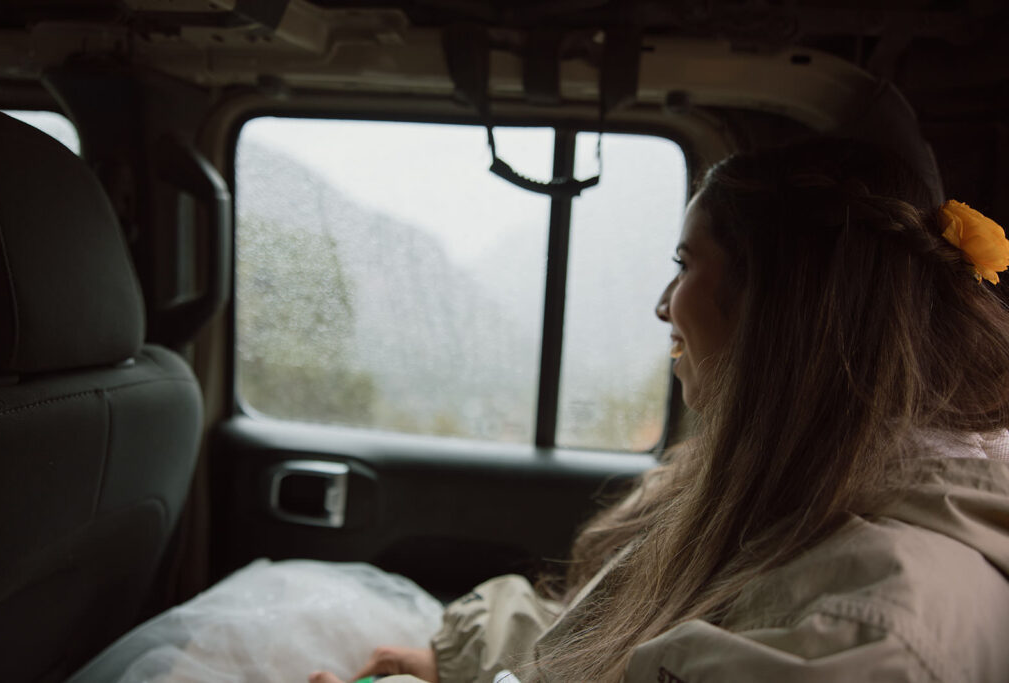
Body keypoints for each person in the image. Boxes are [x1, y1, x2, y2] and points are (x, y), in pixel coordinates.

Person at [311, 138, 1009, 683]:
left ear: (775, 305)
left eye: (684, 264)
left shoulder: (869, 625)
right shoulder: (811, 493)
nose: (661, 303)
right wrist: (459, 661)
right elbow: (624, 643)